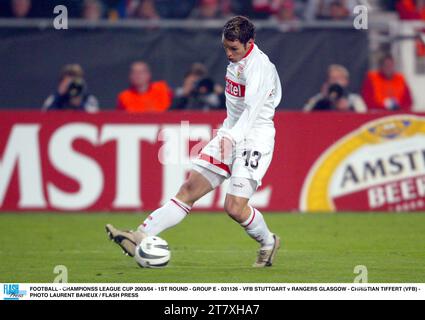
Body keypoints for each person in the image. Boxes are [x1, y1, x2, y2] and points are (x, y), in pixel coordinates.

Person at [107, 16, 282, 268]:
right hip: (230, 132)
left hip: (255, 137)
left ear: (250, 43)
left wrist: (231, 138)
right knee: (189, 190)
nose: (229, 54)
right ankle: (140, 235)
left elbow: (252, 111)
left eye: (234, 49)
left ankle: (268, 242)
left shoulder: (260, 68)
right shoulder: (237, 61)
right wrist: (227, 135)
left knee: (234, 207)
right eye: (225, 48)